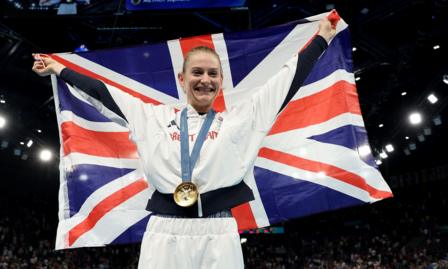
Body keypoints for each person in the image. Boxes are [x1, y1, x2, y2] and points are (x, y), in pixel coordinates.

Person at [32, 16, 336, 269]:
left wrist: (322, 37)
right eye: (197, 72)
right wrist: (58, 69)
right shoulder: (150, 116)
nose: (205, 79)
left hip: (220, 231)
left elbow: (286, 80)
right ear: (182, 78)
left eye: (213, 73)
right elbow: (101, 92)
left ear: (221, 80)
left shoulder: (243, 120)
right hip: (164, 230)